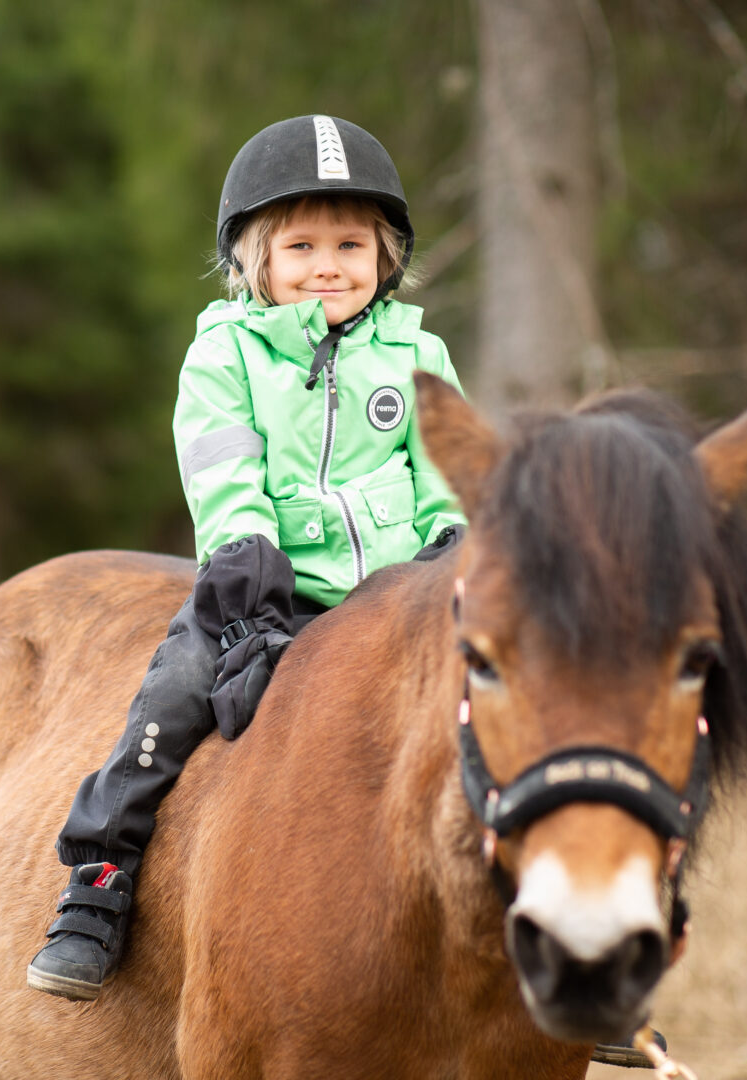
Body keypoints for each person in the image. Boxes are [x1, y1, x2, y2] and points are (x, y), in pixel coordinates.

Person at [26, 115, 467, 1001]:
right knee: (175, 691)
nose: (328, 264)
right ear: (255, 262)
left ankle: (574, 947)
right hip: (268, 590)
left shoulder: (419, 354)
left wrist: (454, 544)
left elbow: (448, 469)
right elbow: (225, 470)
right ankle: (99, 883)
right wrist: (246, 563)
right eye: (301, 244)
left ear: (386, 255)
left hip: (406, 596)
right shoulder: (224, 355)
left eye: (350, 242)